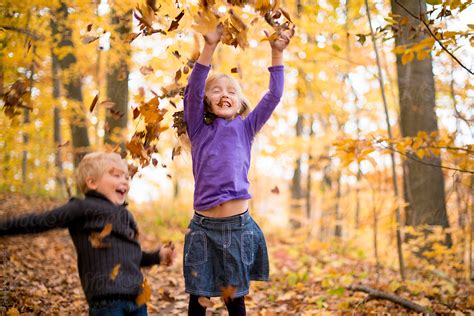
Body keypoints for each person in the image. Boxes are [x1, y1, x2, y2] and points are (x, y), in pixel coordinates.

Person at [182, 24, 292, 316]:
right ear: (207, 101)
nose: (224, 93)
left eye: (231, 90)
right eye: (216, 90)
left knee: (235, 301)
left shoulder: (246, 128)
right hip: (203, 230)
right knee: (198, 299)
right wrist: (209, 47)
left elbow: (274, 95)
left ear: (240, 102)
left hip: (238, 227)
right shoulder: (198, 129)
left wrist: (276, 52)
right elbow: (192, 90)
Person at [0, 152, 175, 315]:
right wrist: (5, 227)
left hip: (137, 299)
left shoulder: (126, 215)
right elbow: (42, 220)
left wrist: (157, 256)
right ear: (92, 183)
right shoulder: (82, 208)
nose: (125, 181)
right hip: (107, 301)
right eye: (116, 175)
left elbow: (132, 255)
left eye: (126, 177)